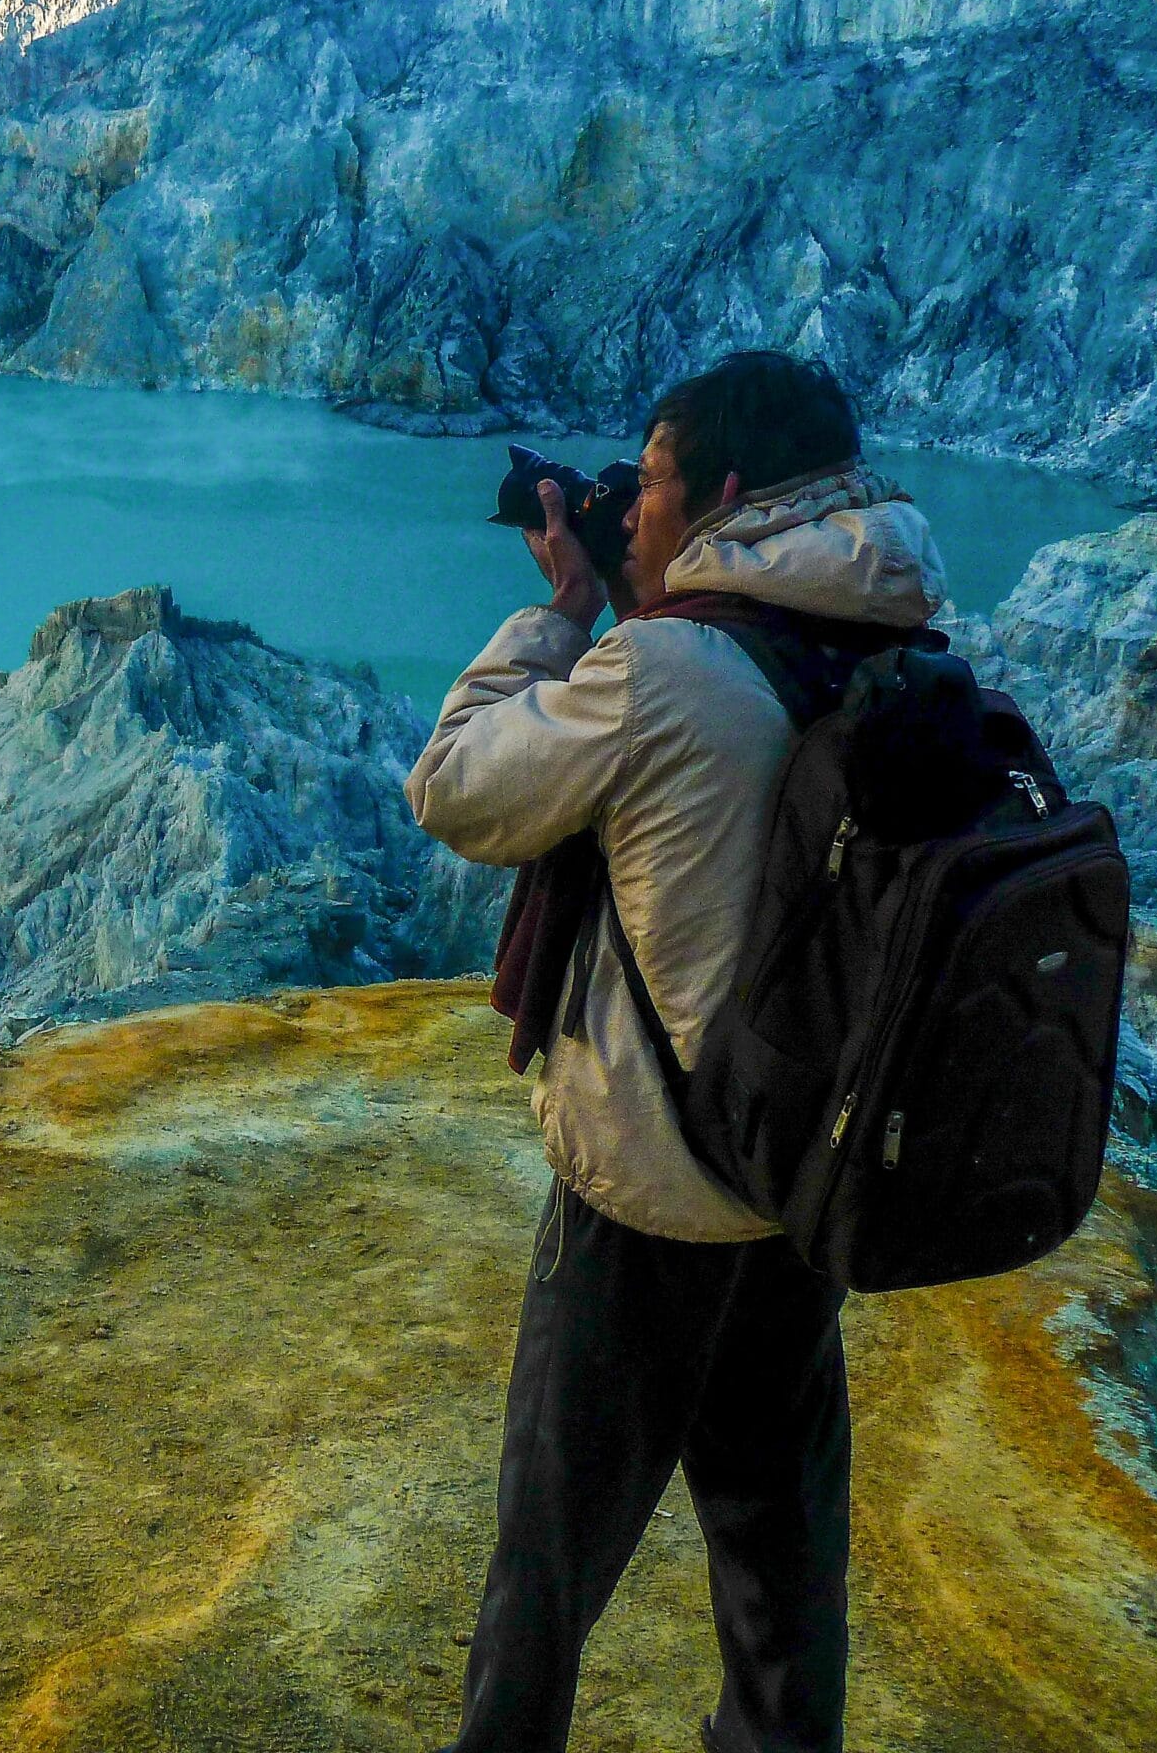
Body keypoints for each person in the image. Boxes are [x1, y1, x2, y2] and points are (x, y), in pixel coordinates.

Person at [404, 352, 950, 1753]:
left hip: (648, 1195)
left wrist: (564, 610)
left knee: (546, 1567)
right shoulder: (897, 640)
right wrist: (647, 600)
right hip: (799, 1176)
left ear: (717, 492)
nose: (627, 506)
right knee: (778, 1565)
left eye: (646, 482)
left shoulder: (662, 667)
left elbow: (455, 788)